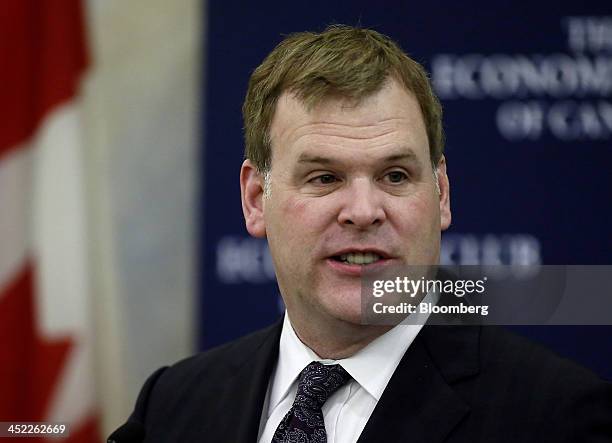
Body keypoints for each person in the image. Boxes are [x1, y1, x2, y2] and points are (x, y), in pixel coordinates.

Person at [110, 25, 612, 442]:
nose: (364, 211)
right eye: (324, 178)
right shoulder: (172, 409)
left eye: (395, 176)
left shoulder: (559, 418)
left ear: (441, 194)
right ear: (256, 200)